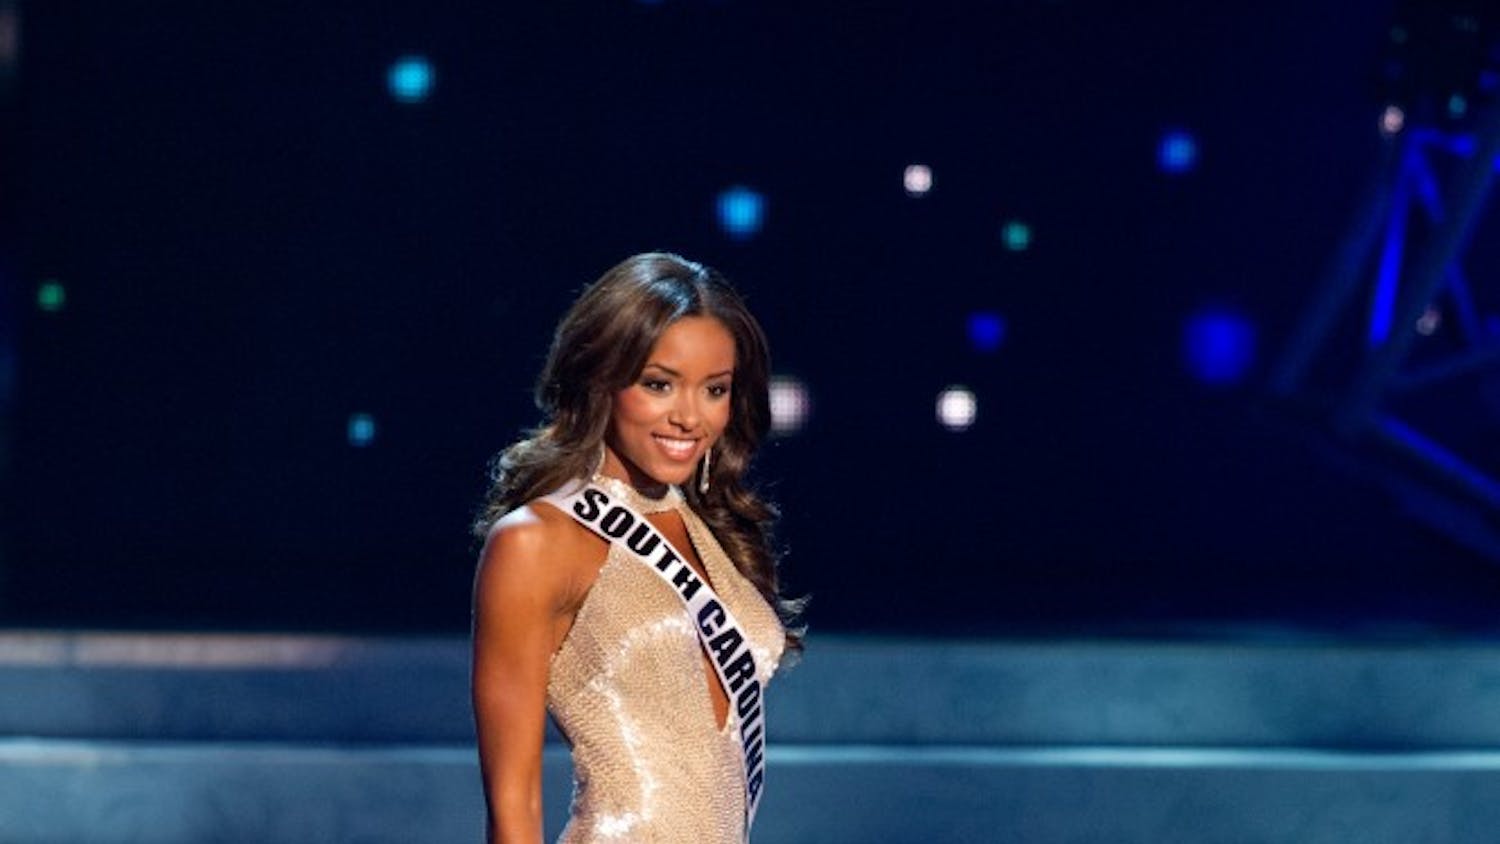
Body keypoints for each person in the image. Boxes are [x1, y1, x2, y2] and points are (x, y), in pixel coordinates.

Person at [471, 252, 801, 843]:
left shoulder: (711, 532)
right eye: (658, 384)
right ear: (603, 379)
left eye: (714, 389)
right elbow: (513, 808)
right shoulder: (537, 541)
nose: (689, 417)